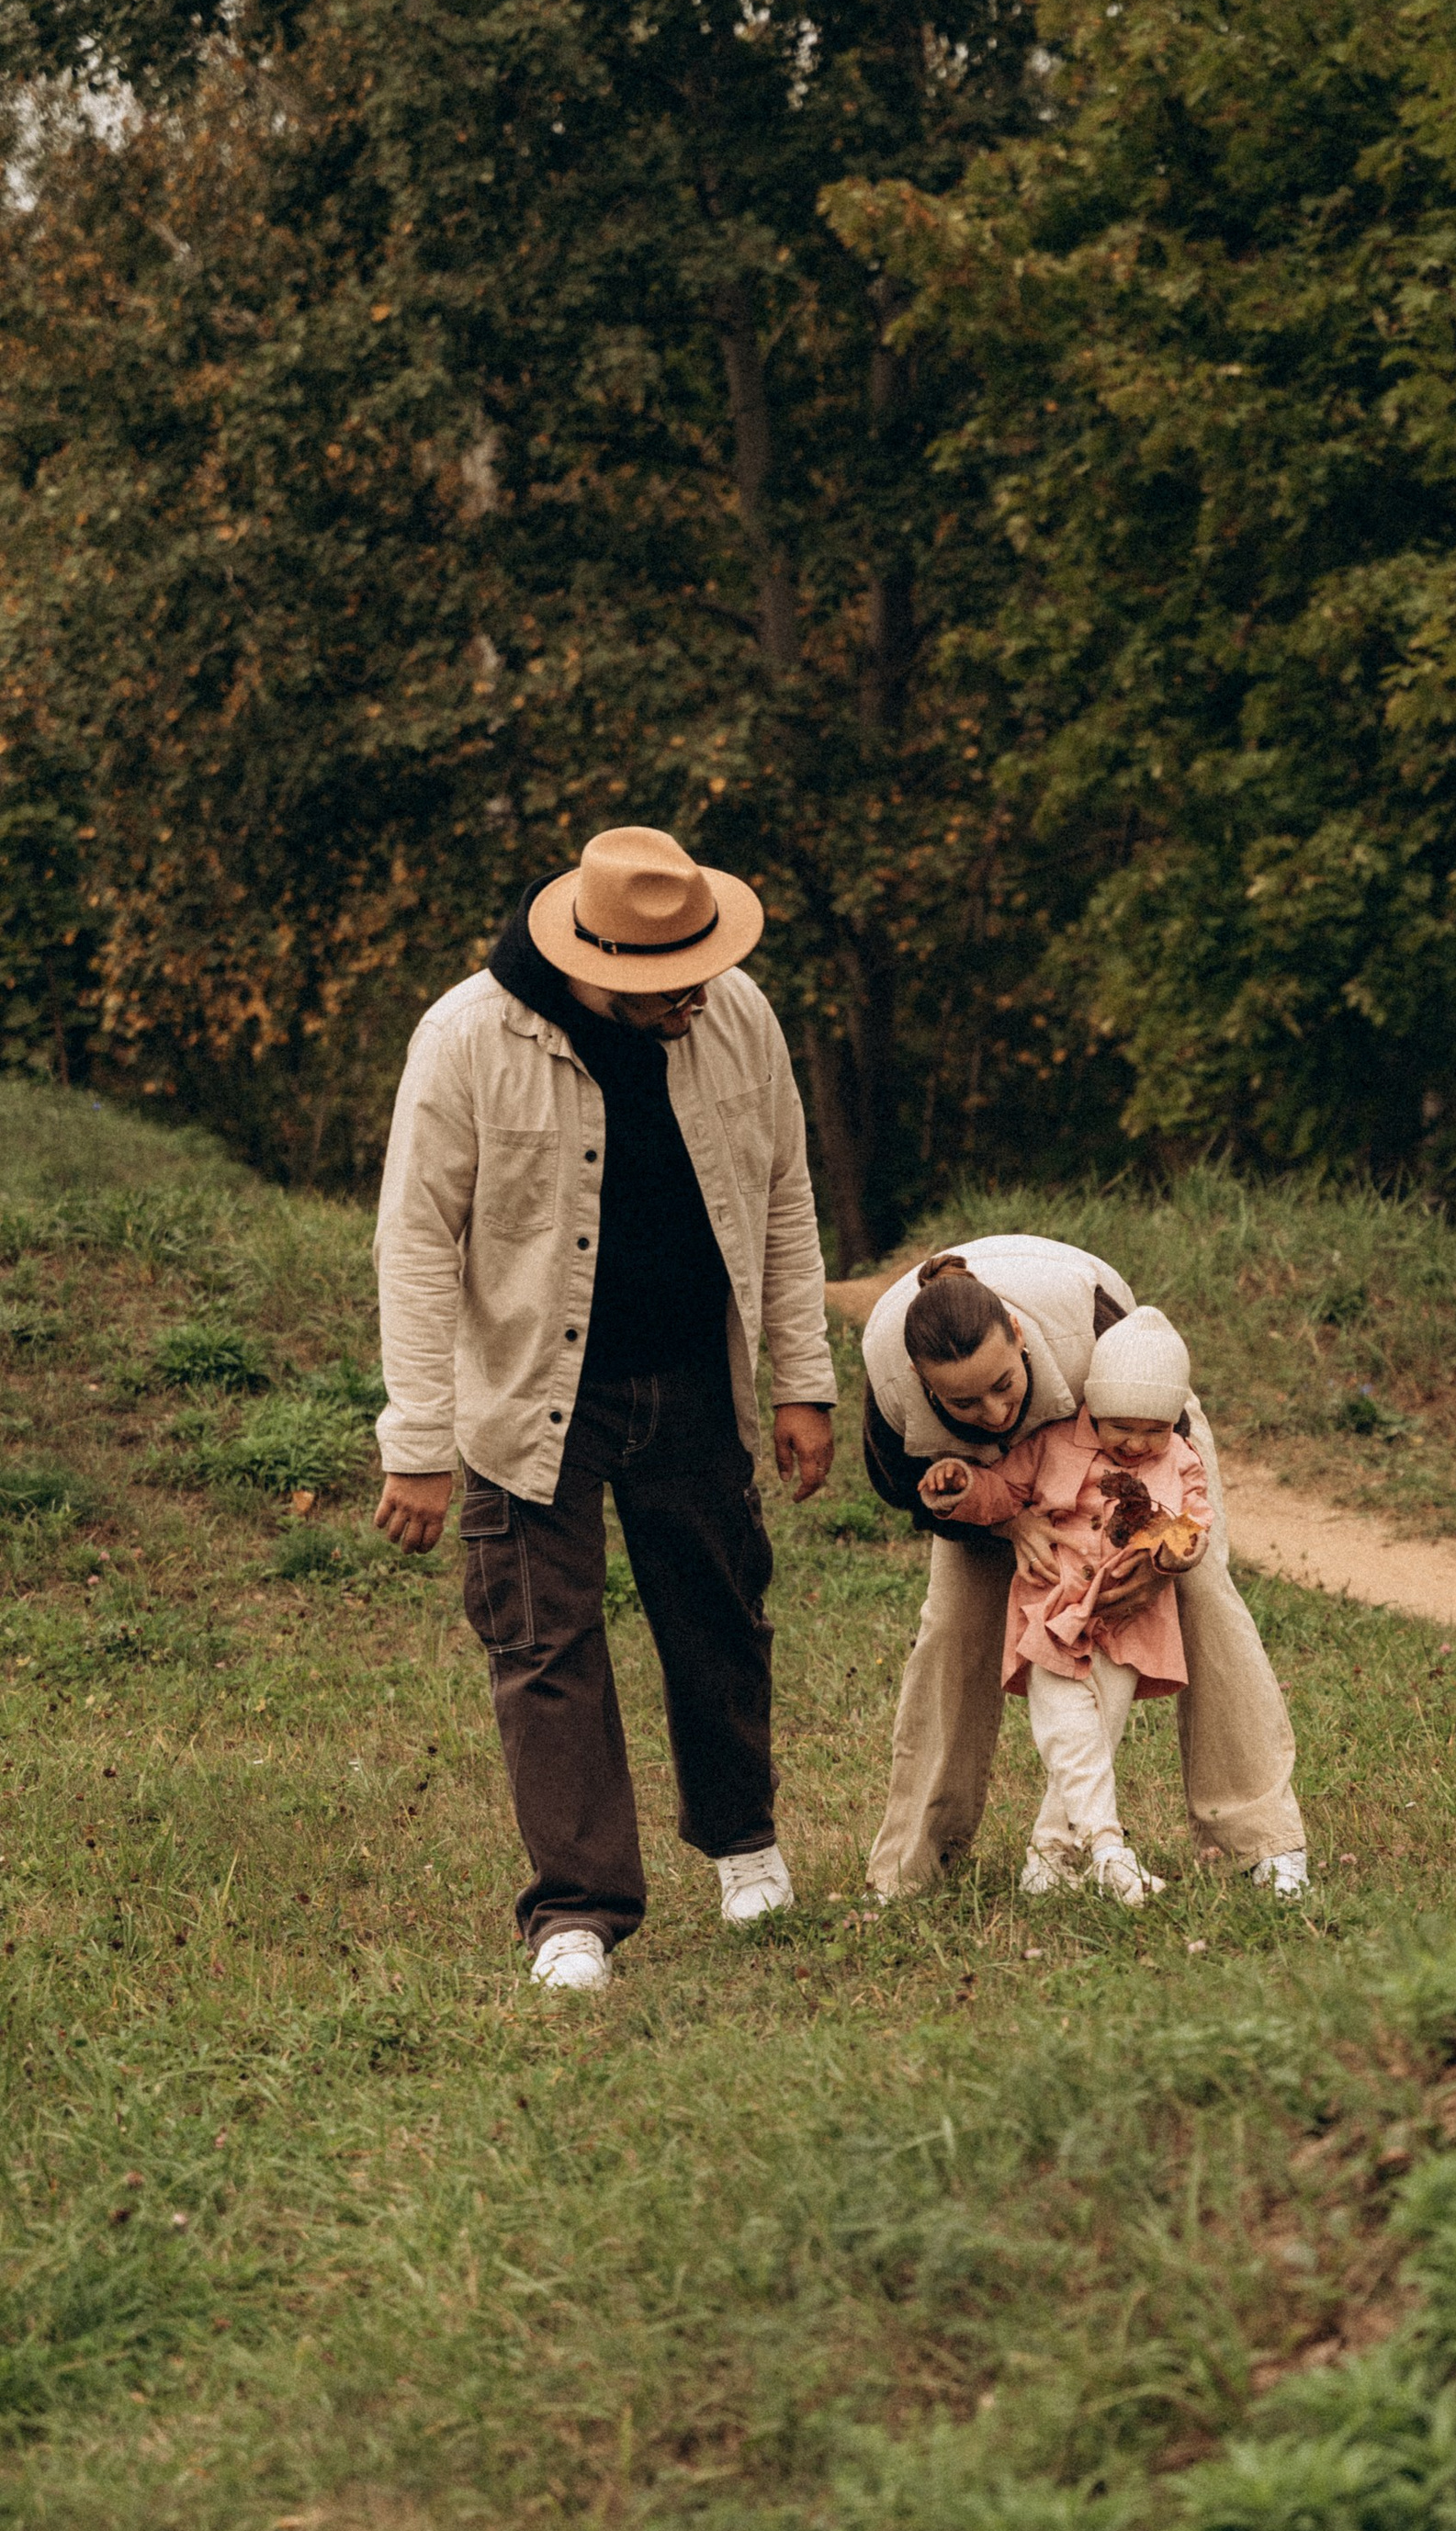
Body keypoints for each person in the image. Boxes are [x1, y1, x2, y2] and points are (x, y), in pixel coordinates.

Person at [371, 824, 836, 1993]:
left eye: (702, 970)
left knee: (719, 1615)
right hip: (530, 1393)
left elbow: (785, 1196)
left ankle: (743, 1843)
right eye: (669, 983)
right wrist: (418, 1440)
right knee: (543, 1643)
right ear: (597, 961)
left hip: (693, 1377)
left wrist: (803, 1377)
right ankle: (577, 1911)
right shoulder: (466, 1037)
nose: (695, 996)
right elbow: (415, 1242)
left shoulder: (738, 1014)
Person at [861, 1237, 1311, 1901]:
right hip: (983, 1483)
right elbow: (902, 1488)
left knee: (1204, 1594)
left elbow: (1165, 1442)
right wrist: (1007, 1522)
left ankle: (1261, 1839)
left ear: (1018, 1335)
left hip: (1132, 1429)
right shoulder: (890, 1386)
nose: (995, 1414)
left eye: (1003, 1385)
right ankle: (912, 1864)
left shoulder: (1087, 1331)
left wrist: (1159, 1558)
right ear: (921, 1380)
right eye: (965, 1404)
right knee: (953, 1626)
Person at [919, 1305, 1213, 1906]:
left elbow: (1195, 1522)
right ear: (1093, 1409)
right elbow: (1003, 1491)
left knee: (1097, 1737)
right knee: (1069, 1732)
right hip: (1051, 1612)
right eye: (1120, 1426)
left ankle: (1049, 1859)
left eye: (1154, 1430)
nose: (1137, 1443)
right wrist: (963, 1486)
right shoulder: (1052, 1444)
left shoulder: (1181, 1458)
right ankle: (1109, 1850)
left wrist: (1174, 1552)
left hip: (1129, 1619)